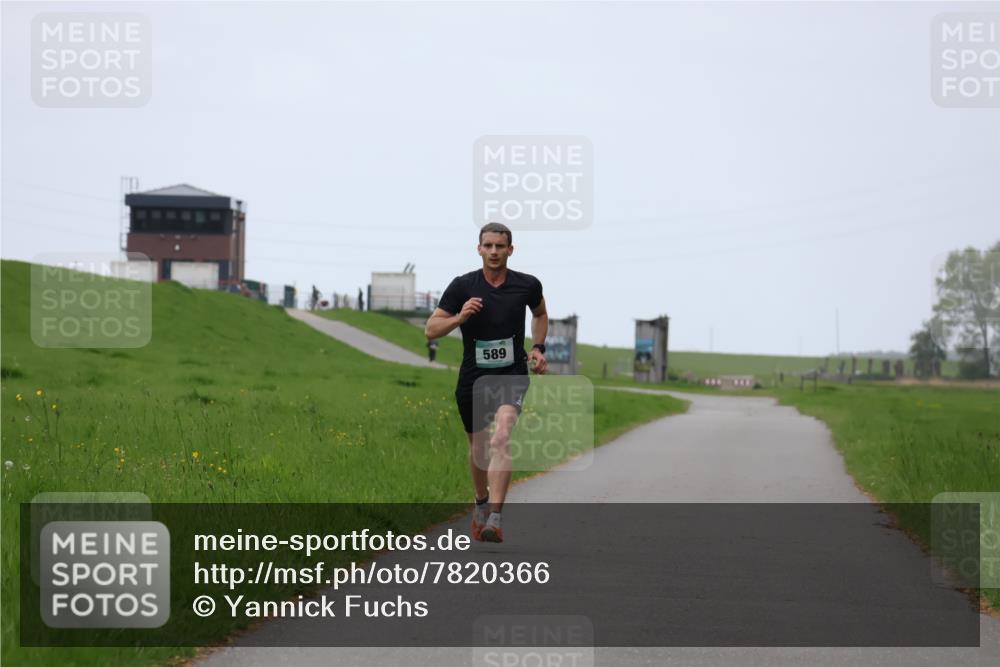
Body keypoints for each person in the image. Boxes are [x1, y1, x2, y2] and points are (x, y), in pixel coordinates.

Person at [424, 222, 547, 543]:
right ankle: (480, 501)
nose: (494, 252)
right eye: (488, 246)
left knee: (501, 438)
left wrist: (537, 348)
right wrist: (460, 317)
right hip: (474, 377)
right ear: (479, 249)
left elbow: (540, 314)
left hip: (512, 373)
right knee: (478, 447)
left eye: (500, 246)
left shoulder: (527, 285)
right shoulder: (463, 286)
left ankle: (495, 517)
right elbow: (431, 329)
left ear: (510, 250)